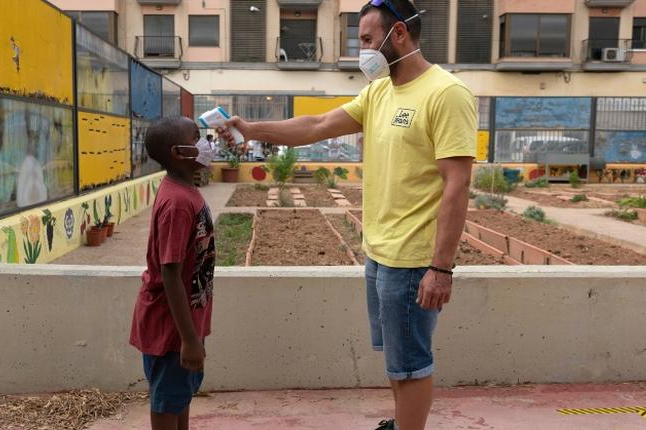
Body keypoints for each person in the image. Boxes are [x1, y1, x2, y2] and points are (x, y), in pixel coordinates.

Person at [217, 1, 476, 428]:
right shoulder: (380, 91)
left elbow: (457, 184)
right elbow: (317, 125)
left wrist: (440, 268)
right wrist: (255, 130)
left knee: (411, 363)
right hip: (378, 252)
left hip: (413, 259)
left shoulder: (446, 94)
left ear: (399, 36)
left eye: (368, 41)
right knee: (396, 361)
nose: (363, 52)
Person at [129, 116, 217, 430]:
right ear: (179, 152)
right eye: (197, 138)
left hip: (183, 326)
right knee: (167, 401)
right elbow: (170, 274)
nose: (206, 144)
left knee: (179, 396)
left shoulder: (185, 191)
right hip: (172, 330)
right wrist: (189, 340)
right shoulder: (178, 203)